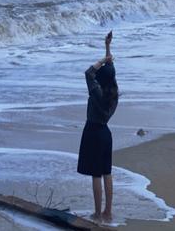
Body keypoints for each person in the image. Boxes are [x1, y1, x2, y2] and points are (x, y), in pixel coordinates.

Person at [77, 30, 119, 222]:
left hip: (93, 131)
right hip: (105, 133)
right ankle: (108, 211)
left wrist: (102, 59)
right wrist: (107, 46)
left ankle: (97, 212)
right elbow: (111, 70)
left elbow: (89, 73)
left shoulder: (97, 92)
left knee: (96, 175)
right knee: (106, 172)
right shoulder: (113, 94)